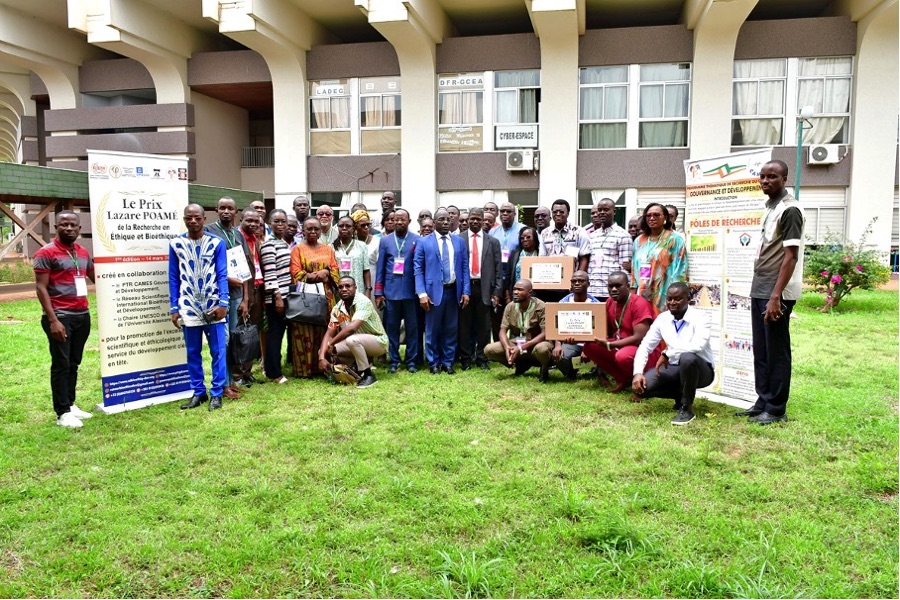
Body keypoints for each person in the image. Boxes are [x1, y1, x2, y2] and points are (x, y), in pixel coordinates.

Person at [738, 159, 806, 425]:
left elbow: (791, 256)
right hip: (761, 287)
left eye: (772, 177)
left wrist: (776, 296)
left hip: (777, 292)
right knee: (762, 349)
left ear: (784, 179)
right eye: (763, 177)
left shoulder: (790, 210)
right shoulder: (771, 207)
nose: (766, 181)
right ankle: (763, 399)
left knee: (776, 351)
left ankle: (776, 408)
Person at [34, 210, 95, 427]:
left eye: (72, 225)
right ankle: (62, 412)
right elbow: (41, 287)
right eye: (63, 224)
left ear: (79, 229)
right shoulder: (46, 252)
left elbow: (95, 276)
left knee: (74, 362)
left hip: (82, 315)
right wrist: (53, 320)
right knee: (61, 363)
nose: (68, 228)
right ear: (56, 227)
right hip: (60, 316)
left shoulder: (82, 252)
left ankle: (70, 404)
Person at [168, 204, 230, 411]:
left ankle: (217, 393)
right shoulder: (176, 244)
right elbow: (173, 277)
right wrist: (174, 307)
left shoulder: (217, 243)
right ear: (184, 220)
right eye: (189, 218)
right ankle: (198, 392)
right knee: (193, 351)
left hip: (213, 305)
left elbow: (222, 273)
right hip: (188, 305)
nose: (193, 222)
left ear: (204, 219)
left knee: (218, 351)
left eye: (197, 218)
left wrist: (223, 303)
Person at [632, 282, 714, 426]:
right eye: (669, 299)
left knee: (687, 357)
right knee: (641, 389)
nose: (672, 303)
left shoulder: (701, 318)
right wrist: (637, 373)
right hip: (675, 368)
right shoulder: (663, 319)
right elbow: (645, 346)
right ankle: (680, 394)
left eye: (677, 299)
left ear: (688, 298)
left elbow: (697, 345)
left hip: (701, 370)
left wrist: (668, 354)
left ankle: (686, 408)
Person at [414, 208, 471, 374]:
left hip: (454, 291)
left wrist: (466, 291)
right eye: (441, 219)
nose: (446, 222)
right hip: (432, 294)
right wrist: (422, 293)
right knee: (432, 330)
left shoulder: (459, 241)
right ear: (434, 222)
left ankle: (448, 362)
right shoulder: (424, 242)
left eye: (448, 219)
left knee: (451, 329)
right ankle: (433, 363)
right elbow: (418, 269)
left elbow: (464, 267)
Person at [582, 271, 658, 392]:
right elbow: (601, 329)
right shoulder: (610, 302)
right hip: (620, 344)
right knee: (589, 347)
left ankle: (643, 384)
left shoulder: (639, 304)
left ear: (628, 286)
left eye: (618, 286)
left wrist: (611, 345)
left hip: (643, 349)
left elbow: (639, 337)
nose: (613, 289)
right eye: (610, 286)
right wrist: (575, 338)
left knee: (622, 356)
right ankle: (624, 379)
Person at [205, 197, 250, 399]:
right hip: (219, 296)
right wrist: (225, 279)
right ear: (216, 210)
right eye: (222, 208)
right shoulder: (208, 232)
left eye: (230, 208)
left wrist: (245, 299)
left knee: (232, 340)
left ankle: (231, 381)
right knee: (221, 341)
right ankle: (222, 385)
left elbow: (245, 269)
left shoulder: (237, 235)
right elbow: (205, 264)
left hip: (237, 296)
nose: (226, 211)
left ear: (236, 212)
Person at [290, 217, 340, 378]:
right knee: (304, 331)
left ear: (320, 231)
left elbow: (335, 272)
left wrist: (328, 273)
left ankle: (322, 366)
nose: (312, 232)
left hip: (326, 297)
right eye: (309, 229)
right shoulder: (297, 249)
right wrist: (320, 274)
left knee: (323, 330)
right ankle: (304, 370)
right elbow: (296, 273)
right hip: (305, 298)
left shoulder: (328, 249)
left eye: (316, 229)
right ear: (303, 231)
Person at [318, 276, 389, 388]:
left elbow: (352, 328)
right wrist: (322, 357)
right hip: (357, 343)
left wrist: (331, 344)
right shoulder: (338, 308)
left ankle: (368, 375)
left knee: (351, 340)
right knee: (325, 349)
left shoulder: (363, 301)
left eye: (348, 286)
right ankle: (350, 372)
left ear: (355, 288)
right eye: (340, 287)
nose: (344, 289)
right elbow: (329, 333)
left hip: (378, 342)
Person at [374, 208, 421, 373]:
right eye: (396, 219)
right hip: (391, 291)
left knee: (412, 328)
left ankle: (411, 361)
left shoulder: (417, 240)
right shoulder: (385, 241)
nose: (399, 222)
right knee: (392, 327)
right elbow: (380, 268)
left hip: (411, 291)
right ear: (392, 222)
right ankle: (393, 360)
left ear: (409, 221)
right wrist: (378, 292)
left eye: (402, 219)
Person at [459, 208, 502, 370]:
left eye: (478, 219)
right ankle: (466, 358)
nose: (475, 222)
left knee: (484, 326)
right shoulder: (459, 240)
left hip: (485, 289)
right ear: (468, 220)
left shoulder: (493, 242)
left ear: (484, 220)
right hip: (466, 287)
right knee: (465, 325)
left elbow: (498, 270)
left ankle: (482, 358)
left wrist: (497, 292)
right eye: (472, 219)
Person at [484, 279, 553, 382]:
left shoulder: (541, 306)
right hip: (519, 341)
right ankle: (521, 363)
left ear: (530, 293)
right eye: (514, 289)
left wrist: (522, 347)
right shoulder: (510, 306)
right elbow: (503, 330)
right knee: (489, 349)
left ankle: (544, 368)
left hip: (537, 343)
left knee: (542, 349)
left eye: (520, 290)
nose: (515, 292)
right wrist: (507, 347)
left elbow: (546, 333)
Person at [631, 202, 687, 313]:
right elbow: (634, 269)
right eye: (648, 215)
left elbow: (681, 270)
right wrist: (632, 294)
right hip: (642, 292)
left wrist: (675, 296)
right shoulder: (639, 241)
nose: (652, 218)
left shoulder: (674, 240)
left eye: (656, 215)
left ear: (665, 218)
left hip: (665, 293)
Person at [260, 209, 292, 384]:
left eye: (283, 221)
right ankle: (273, 373)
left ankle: (274, 367)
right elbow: (270, 274)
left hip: (285, 294)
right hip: (275, 297)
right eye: (276, 221)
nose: (280, 225)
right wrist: (278, 297)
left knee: (279, 334)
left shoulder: (281, 242)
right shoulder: (268, 244)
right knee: (275, 334)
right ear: (269, 223)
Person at [551, 270, 601, 381]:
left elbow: (599, 330)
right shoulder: (563, 303)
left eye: (581, 281)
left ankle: (596, 372)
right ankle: (571, 373)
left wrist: (588, 349)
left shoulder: (596, 304)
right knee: (560, 357)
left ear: (588, 284)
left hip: (591, 343)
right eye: (574, 281)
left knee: (602, 352)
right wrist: (558, 344)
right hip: (570, 342)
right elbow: (556, 326)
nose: (577, 283)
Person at [238, 207, 266, 385]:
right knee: (240, 333)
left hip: (257, 290)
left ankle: (247, 372)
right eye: (249, 220)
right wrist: (245, 298)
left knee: (252, 332)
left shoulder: (255, 239)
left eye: (256, 222)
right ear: (241, 219)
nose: (253, 224)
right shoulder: (236, 238)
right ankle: (237, 375)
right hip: (243, 292)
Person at [587, 198, 632, 301]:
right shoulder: (592, 236)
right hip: (593, 291)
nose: (602, 213)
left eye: (606, 210)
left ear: (614, 211)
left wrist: (625, 293)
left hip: (612, 292)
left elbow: (625, 269)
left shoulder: (623, 235)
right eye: (600, 210)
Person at [540, 199, 592, 272]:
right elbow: (542, 258)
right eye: (555, 212)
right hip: (551, 276)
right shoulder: (545, 233)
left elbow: (584, 257)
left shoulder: (579, 231)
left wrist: (579, 277)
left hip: (573, 278)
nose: (558, 214)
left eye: (561, 212)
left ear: (568, 213)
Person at [333, 215, 372, 301]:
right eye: (341, 226)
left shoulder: (362, 246)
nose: (344, 228)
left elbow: (366, 270)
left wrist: (368, 289)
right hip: (339, 291)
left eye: (348, 226)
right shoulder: (331, 247)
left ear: (354, 228)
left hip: (358, 290)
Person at [505, 226, 540, 301]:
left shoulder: (540, 254)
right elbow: (508, 277)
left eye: (528, 237)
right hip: (517, 295)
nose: (525, 240)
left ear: (535, 238)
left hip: (536, 295)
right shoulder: (514, 254)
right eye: (522, 238)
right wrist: (508, 297)